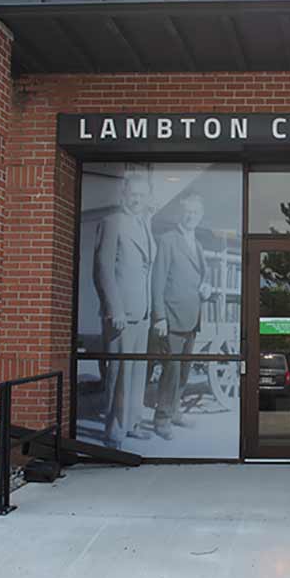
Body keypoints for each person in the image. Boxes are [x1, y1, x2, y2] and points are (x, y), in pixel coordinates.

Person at [93, 171, 155, 450]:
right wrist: (113, 308)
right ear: (124, 195)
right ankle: (114, 431)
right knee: (118, 374)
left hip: (141, 312)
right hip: (121, 313)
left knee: (137, 372)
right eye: (133, 195)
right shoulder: (112, 222)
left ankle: (132, 423)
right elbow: (103, 268)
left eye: (142, 195)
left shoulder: (145, 224)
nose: (137, 200)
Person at [151, 193, 213, 440]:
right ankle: (162, 418)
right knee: (172, 370)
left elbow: (201, 278)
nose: (191, 217)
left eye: (196, 213)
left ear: (201, 216)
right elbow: (157, 282)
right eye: (187, 212)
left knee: (185, 369)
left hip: (192, 317)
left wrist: (207, 288)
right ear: (180, 213)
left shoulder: (197, 244)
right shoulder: (167, 240)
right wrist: (159, 317)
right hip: (172, 317)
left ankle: (175, 411)